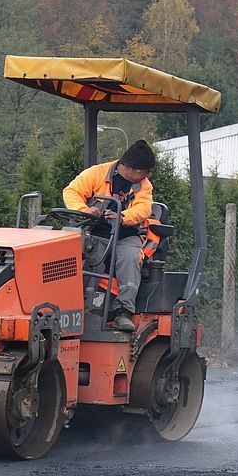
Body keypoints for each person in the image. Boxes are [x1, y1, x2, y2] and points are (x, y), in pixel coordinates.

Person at [62, 139, 155, 332]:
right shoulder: (97, 173)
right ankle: (80, 310)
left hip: (126, 235)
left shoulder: (143, 185)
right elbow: (71, 191)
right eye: (145, 171)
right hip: (95, 232)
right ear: (132, 169)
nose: (148, 176)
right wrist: (85, 210)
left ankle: (123, 312)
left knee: (130, 258)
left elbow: (144, 208)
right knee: (89, 258)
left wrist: (122, 217)